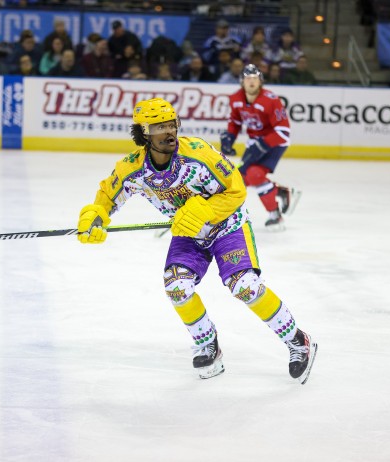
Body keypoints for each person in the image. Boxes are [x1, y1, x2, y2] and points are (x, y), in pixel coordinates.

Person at [76, 97, 317, 383]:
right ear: (143, 133)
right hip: (189, 232)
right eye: (159, 127)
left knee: (244, 286)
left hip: (228, 226)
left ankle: (297, 340)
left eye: (172, 124)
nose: (169, 132)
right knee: (176, 287)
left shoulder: (199, 153)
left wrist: (205, 209)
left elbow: (236, 189)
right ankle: (208, 344)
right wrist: (96, 216)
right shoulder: (133, 168)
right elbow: (108, 195)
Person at [220, 64, 300, 228]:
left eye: (255, 79)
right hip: (255, 142)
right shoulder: (235, 99)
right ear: (242, 81)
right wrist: (229, 138)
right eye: (248, 78)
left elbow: (283, 132)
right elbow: (235, 122)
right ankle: (281, 192)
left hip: (275, 142)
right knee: (242, 179)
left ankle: (275, 215)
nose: (251, 82)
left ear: (260, 81)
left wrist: (263, 144)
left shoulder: (271, 100)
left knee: (254, 175)